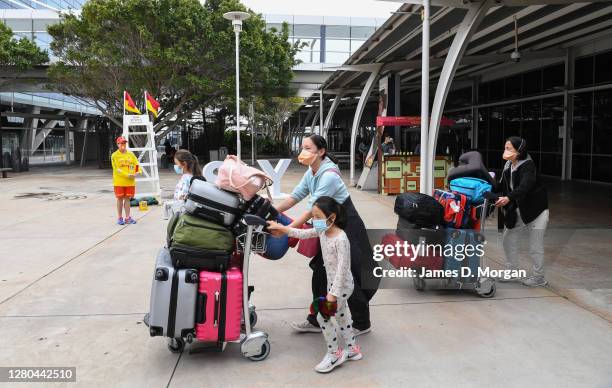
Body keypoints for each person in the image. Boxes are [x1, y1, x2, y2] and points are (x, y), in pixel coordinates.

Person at [273, 134, 379, 337]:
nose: (303, 153)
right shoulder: (311, 171)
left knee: (349, 274)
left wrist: (285, 230)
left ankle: (362, 323)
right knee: (321, 273)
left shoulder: (328, 175)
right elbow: (294, 197)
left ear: (321, 151)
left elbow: (312, 210)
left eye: (308, 149)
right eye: (302, 148)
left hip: (346, 227)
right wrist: (272, 213)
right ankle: (318, 318)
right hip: (327, 225)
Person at [268, 196, 362, 373]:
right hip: (333, 286)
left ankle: (334, 354)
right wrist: (282, 229)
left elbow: (343, 269)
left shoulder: (341, 239)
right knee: (342, 316)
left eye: (318, 217)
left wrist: (332, 294)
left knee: (322, 317)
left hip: (341, 287)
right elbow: (303, 234)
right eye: (314, 216)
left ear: (332, 218)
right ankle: (352, 350)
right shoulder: (322, 231)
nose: (315, 221)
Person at [495, 136, 549, 287]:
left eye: (509, 149)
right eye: (505, 148)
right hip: (519, 210)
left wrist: (508, 198)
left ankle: (539, 278)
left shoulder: (528, 166)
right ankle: (512, 272)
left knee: (535, 246)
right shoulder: (508, 165)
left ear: (519, 151)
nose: (505, 151)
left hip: (536, 212)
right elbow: (501, 186)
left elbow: (525, 186)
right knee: (508, 239)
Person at [163, 149, 202, 219]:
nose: (175, 166)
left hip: (183, 213)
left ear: (184, 164)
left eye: (176, 164)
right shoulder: (186, 177)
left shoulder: (189, 179)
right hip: (180, 211)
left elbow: (183, 198)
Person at [111, 136, 140, 225]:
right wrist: (127, 175)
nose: (123, 145)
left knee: (127, 199)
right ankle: (120, 218)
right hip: (119, 182)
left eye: (124, 143)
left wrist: (137, 172)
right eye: (121, 143)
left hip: (130, 182)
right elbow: (116, 169)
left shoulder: (131, 154)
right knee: (120, 198)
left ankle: (128, 217)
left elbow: (136, 164)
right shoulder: (114, 156)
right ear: (117, 144)